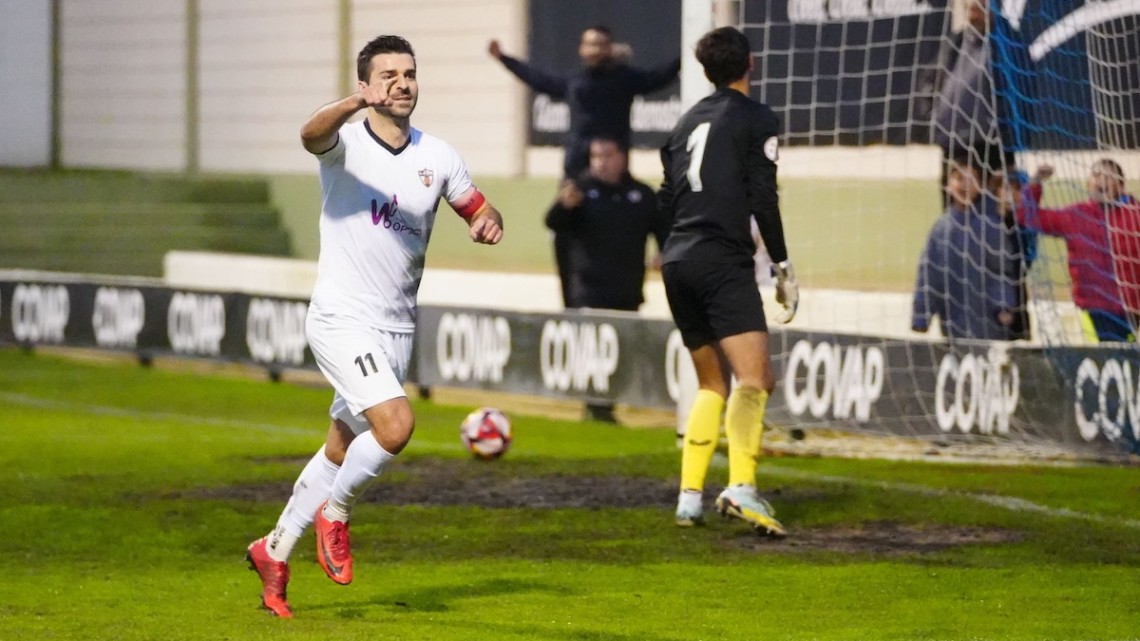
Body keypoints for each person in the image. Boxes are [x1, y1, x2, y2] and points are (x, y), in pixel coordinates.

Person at [244, 35, 504, 618]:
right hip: (341, 317)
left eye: (409, 73)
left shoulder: (438, 155)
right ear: (365, 84)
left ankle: (274, 550)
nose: (402, 83)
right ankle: (335, 515)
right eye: (388, 75)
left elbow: (477, 206)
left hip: (396, 329)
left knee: (341, 446)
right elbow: (309, 134)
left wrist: (487, 221)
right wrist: (354, 103)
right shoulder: (344, 145)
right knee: (395, 425)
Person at [658, 26, 797, 538]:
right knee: (756, 380)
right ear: (750, 63)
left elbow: (666, 194)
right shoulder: (755, 118)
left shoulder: (685, 122)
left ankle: (690, 497)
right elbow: (765, 196)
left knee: (712, 383)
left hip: (678, 260)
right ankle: (741, 486)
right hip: (721, 261)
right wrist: (781, 264)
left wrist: (668, 250)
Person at [488, 25, 681, 177]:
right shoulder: (574, 83)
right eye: (590, 44)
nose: (595, 49)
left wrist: (685, 55)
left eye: (600, 44)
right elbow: (539, 80)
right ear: (582, 49)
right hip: (576, 166)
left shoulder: (626, 79)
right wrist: (505, 59)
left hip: (615, 167)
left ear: (609, 48)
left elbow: (660, 77)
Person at [1017, 159, 1140, 342]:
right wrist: (1035, 184)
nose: (1101, 181)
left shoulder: (1134, 215)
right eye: (1096, 175)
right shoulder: (1075, 215)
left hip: (1129, 310)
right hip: (1093, 309)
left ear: (1120, 186)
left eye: (1107, 177)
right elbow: (1028, 218)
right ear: (1088, 183)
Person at [544, 136, 671, 311]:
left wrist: (664, 254)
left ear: (622, 157)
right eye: (595, 156)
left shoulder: (642, 195)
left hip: (627, 294)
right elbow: (553, 223)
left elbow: (663, 230)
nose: (601, 163)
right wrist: (563, 207)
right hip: (588, 294)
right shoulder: (580, 191)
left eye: (607, 156)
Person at [912, 156, 1027, 340]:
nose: (965, 185)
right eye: (959, 178)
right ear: (948, 184)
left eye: (972, 179)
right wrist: (921, 315)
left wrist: (1004, 304)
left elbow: (1002, 269)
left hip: (989, 320)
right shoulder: (940, 229)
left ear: (981, 185)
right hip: (952, 320)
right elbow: (929, 275)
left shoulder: (991, 225)